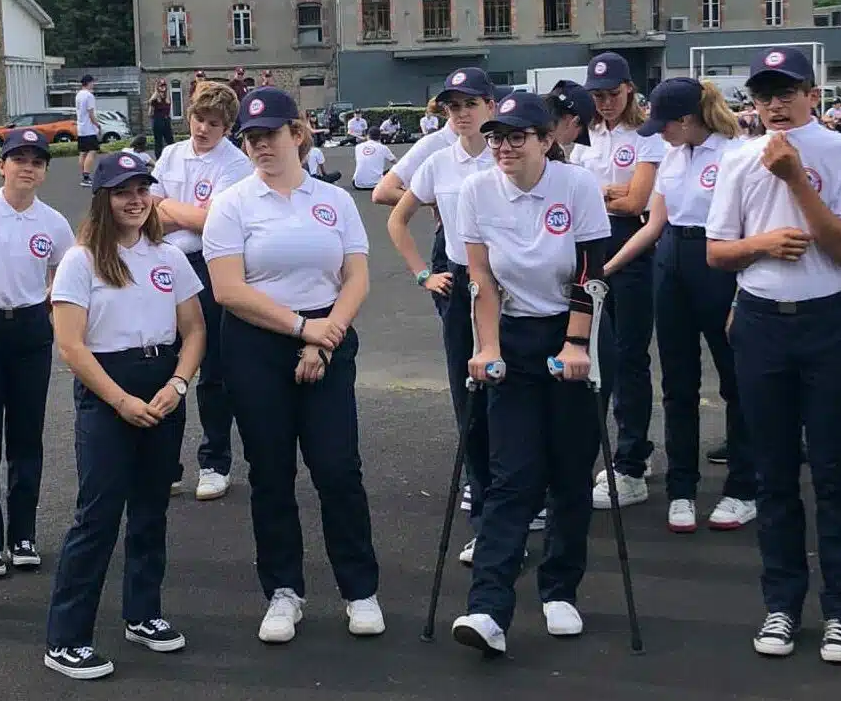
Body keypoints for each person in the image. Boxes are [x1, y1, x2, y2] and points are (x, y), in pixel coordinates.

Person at [706, 45, 841, 662]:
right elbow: (717, 252)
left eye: (787, 91)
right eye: (764, 94)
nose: (775, 105)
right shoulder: (737, 160)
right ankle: (781, 604)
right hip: (759, 322)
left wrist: (795, 178)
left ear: (812, 92)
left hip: (826, 321)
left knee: (833, 473)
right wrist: (761, 243)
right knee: (773, 472)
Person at [203, 86, 383, 644]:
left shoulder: (334, 200)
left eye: (271, 135)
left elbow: (355, 276)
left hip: (327, 338)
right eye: (252, 138)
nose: (261, 146)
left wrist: (323, 338)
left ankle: (360, 590)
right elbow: (229, 289)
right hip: (258, 345)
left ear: (298, 134)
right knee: (272, 474)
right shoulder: (232, 204)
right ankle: (283, 591)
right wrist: (301, 329)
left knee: (337, 469)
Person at [449, 91, 611, 655]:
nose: (503, 146)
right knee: (509, 474)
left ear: (547, 140)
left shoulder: (578, 186)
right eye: (497, 136)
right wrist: (487, 344)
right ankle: (487, 607)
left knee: (569, 471)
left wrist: (574, 342)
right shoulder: (475, 190)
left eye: (518, 136)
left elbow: (590, 271)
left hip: (575, 333)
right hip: (513, 334)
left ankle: (560, 589)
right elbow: (481, 277)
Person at [44, 151, 207, 680]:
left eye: (142, 189)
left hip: (162, 387)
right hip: (108, 391)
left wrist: (179, 383)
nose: (135, 199)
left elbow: (196, 330)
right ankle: (67, 638)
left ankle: (143, 613)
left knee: (151, 510)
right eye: (123, 191)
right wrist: (119, 400)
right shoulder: (82, 259)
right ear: (104, 199)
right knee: (98, 516)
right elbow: (71, 346)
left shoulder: (170, 256)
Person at [603, 78, 756, 534]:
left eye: (664, 125)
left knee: (735, 379)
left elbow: (749, 228)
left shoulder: (736, 155)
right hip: (671, 264)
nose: (659, 133)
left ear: (687, 120)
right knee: (677, 382)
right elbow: (653, 226)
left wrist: (744, 292)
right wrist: (605, 269)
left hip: (720, 263)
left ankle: (744, 486)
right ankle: (682, 487)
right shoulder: (673, 156)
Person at [386, 68, 498, 565]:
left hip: (507, 280)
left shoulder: (506, 153)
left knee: (511, 387)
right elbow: (395, 216)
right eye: (453, 107)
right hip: (458, 277)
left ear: (491, 106)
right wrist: (421, 275)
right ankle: (480, 481)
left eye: (470, 104)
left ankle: (520, 487)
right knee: (465, 387)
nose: (461, 114)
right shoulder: (438, 161)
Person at [0, 129, 74, 580]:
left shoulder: (53, 222)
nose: (27, 168)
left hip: (31, 328)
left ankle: (23, 535)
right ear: (2, 166)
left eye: (37, 161)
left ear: (44, 171)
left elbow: (67, 272)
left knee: (26, 434)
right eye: (19, 159)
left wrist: (48, 301)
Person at [150, 82, 252, 501]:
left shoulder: (235, 164)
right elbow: (146, 212)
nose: (203, 129)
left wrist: (169, 208)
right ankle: (164, 464)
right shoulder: (172, 154)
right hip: (164, 264)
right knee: (164, 365)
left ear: (227, 128)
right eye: (198, 119)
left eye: (213, 124)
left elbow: (213, 222)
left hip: (208, 264)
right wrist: (180, 213)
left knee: (212, 369)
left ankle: (214, 462)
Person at [582, 52, 664, 508]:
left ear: (628, 88)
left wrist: (600, 194)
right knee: (591, 352)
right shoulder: (586, 131)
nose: (605, 102)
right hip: (588, 246)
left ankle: (632, 458)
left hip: (631, 249)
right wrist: (611, 193)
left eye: (612, 93)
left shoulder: (646, 134)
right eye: (598, 95)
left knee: (630, 356)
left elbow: (636, 202)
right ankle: (599, 451)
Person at [545, 80, 595, 164]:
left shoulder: (530, 135)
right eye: (579, 134)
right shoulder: (547, 152)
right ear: (575, 122)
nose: (574, 140)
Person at [75, 74, 101, 187]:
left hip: (81, 128)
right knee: (92, 150)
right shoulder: (89, 96)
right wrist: (98, 124)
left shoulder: (78, 95)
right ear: (89, 82)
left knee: (83, 152)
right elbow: (91, 113)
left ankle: (83, 175)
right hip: (89, 128)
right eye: (92, 82)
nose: (93, 84)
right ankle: (86, 176)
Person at [148, 80, 174, 158]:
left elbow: (168, 111)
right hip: (157, 121)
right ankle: (159, 159)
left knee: (170, 140)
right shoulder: (155, 99)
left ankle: (172, 157)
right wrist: (152, 102)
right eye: (161, 86)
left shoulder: (167, 98)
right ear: (158, 87)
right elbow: (150, 113)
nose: (163, 87)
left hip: (166, 120)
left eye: (164, 85)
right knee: (158, 141)